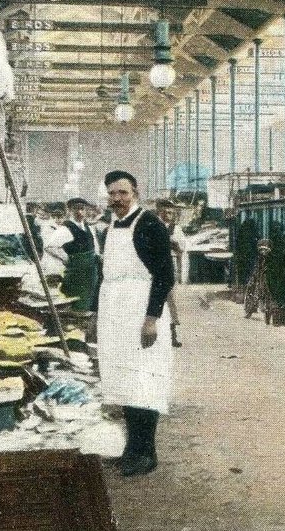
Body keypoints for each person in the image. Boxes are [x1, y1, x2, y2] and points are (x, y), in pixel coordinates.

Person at [92, 170, 176, 477]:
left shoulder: (149, 224)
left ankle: (147, 453)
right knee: (123, 380)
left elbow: (166, 276)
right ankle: (131, 449)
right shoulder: (110, 225)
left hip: (141, 311)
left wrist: (151, 319)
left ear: (135, 192)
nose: (117, 199)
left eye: (122, 193)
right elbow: (105, 274)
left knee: (144, 381)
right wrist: (95, 314)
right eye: (112, 194)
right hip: (115, 311)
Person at [155, 200, 185, 347]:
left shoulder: (176, 229)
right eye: (164, 212)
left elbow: (181, 249)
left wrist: (173, 242)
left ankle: (172, 335)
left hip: (170, 264)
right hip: (154, 266)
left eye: (170, 213)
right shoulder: (152, 227)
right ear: (158, 212)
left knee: (171, 298)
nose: (167, 215)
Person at [60, 197, 99, 308]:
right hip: (76, 271)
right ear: (70, 211)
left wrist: (97, 255)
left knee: (89, 297)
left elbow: (94, 245)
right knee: (75, 298)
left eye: (82, 209)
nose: (80, 212)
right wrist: (66, 258)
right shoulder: (66, 228)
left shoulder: (89, 227)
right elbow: (50, 246)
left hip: (90, 270)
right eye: (76, 209)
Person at [243, 239, 273, 320]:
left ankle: (268, 312)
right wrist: (255, 277)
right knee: (253, 290)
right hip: (259, 278)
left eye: (265, 250)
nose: (263, 252)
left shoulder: (271, 259)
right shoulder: (259, 259)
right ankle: (250, 310)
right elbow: (256, 270)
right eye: (261, 250)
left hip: (268, 279)